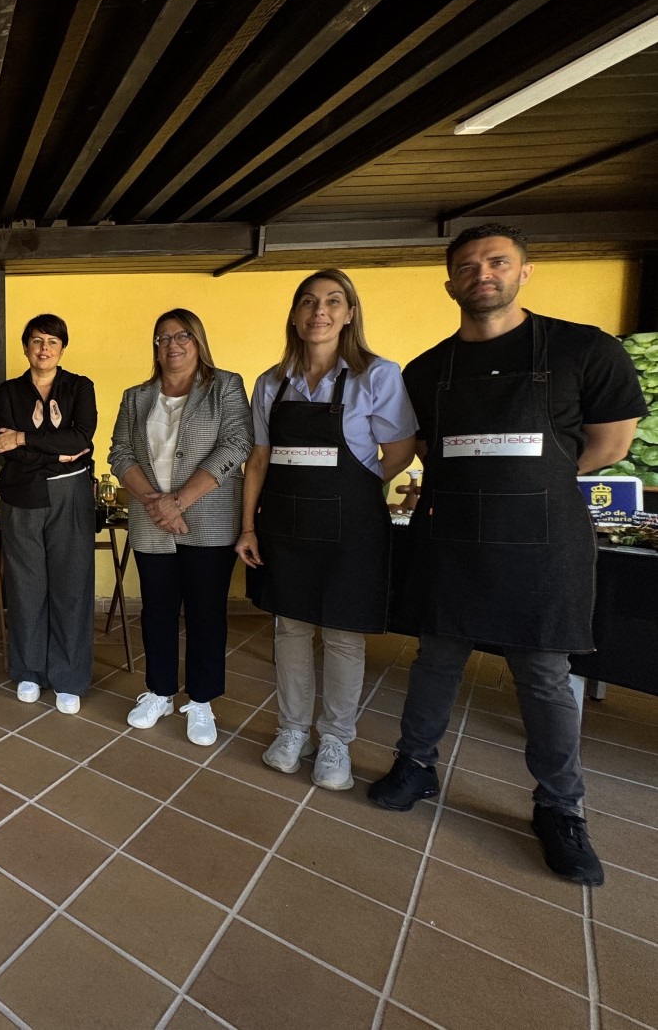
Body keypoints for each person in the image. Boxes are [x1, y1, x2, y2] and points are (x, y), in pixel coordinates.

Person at [367, 223, 642, 887]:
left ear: (525, 271)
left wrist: (522, 480)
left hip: (541, 543)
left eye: (496, 262)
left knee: (544, 676)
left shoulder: (584, 349)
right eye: (467, 266)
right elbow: (427, 448)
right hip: (453, 538)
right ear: (450, 284)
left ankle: (560, 808)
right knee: (435, 659)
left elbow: (610, 444)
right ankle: (415, 764)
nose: (482, 274)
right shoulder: (427, 369)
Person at [235, 270, 417, 789]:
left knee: (342, 634)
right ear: (295, 315)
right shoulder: (271, 382)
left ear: (350, 314)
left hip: (350, 527)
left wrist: (354, 488)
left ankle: (335, 739)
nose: (320, 311)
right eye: (309, 302)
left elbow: (400, 452)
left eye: (334, 301)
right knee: (290, 629)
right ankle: (293, 730)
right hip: (285, 525)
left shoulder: (377, 375)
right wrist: (248, 527)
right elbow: (258, 460)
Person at [110, 310, 252, 745]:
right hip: (152, 520)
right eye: (163, 338)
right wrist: (155, 503)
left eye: (182, 335)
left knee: (206, 612)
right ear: (155, 347)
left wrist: (179, 501)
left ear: (198, 340)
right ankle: (159, 692)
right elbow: (119, 453)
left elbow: (237, 443)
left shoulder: (225, 386)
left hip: (208, 519)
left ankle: (202, 701)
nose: (172, 344)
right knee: (156, 610)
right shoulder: (136, 397)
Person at [0, 314, 97, 713]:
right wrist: (57, 451)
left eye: (52, 341)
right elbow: (3, 447)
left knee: (72, 583)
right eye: (37, 341)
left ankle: (68, 677)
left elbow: (82, 438)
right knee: (26, 585)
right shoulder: (9, 391)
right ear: (26, 347)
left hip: (70, 494)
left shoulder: (79, 387)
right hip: (22, 495)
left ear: (62, 349)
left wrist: (24, 438)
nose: (44, 348)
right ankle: (29, 670)